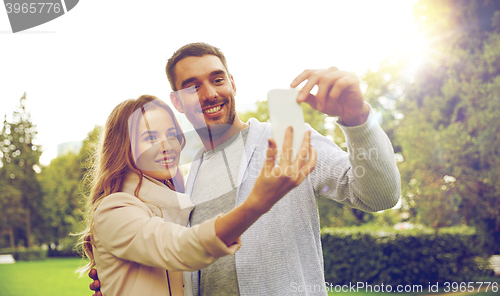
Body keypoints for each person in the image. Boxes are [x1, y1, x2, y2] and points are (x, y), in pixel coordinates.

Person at [89, 43, 401, 295]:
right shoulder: (186, 176)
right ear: (178, 102)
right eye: (192, 86)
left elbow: (380, 196)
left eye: (217, 79)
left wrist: (358, 119)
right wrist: (121, 276)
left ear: (232, 83)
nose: (210, 93)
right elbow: (175, 248)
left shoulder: (285, 139)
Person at [79, 94, 316, 296]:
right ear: (123, 147)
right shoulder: (115, 209)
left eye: (171, 133)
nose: (167, 145)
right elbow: (181, 247)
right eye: (150, 137)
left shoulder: (179, 202)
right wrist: (257, 203)